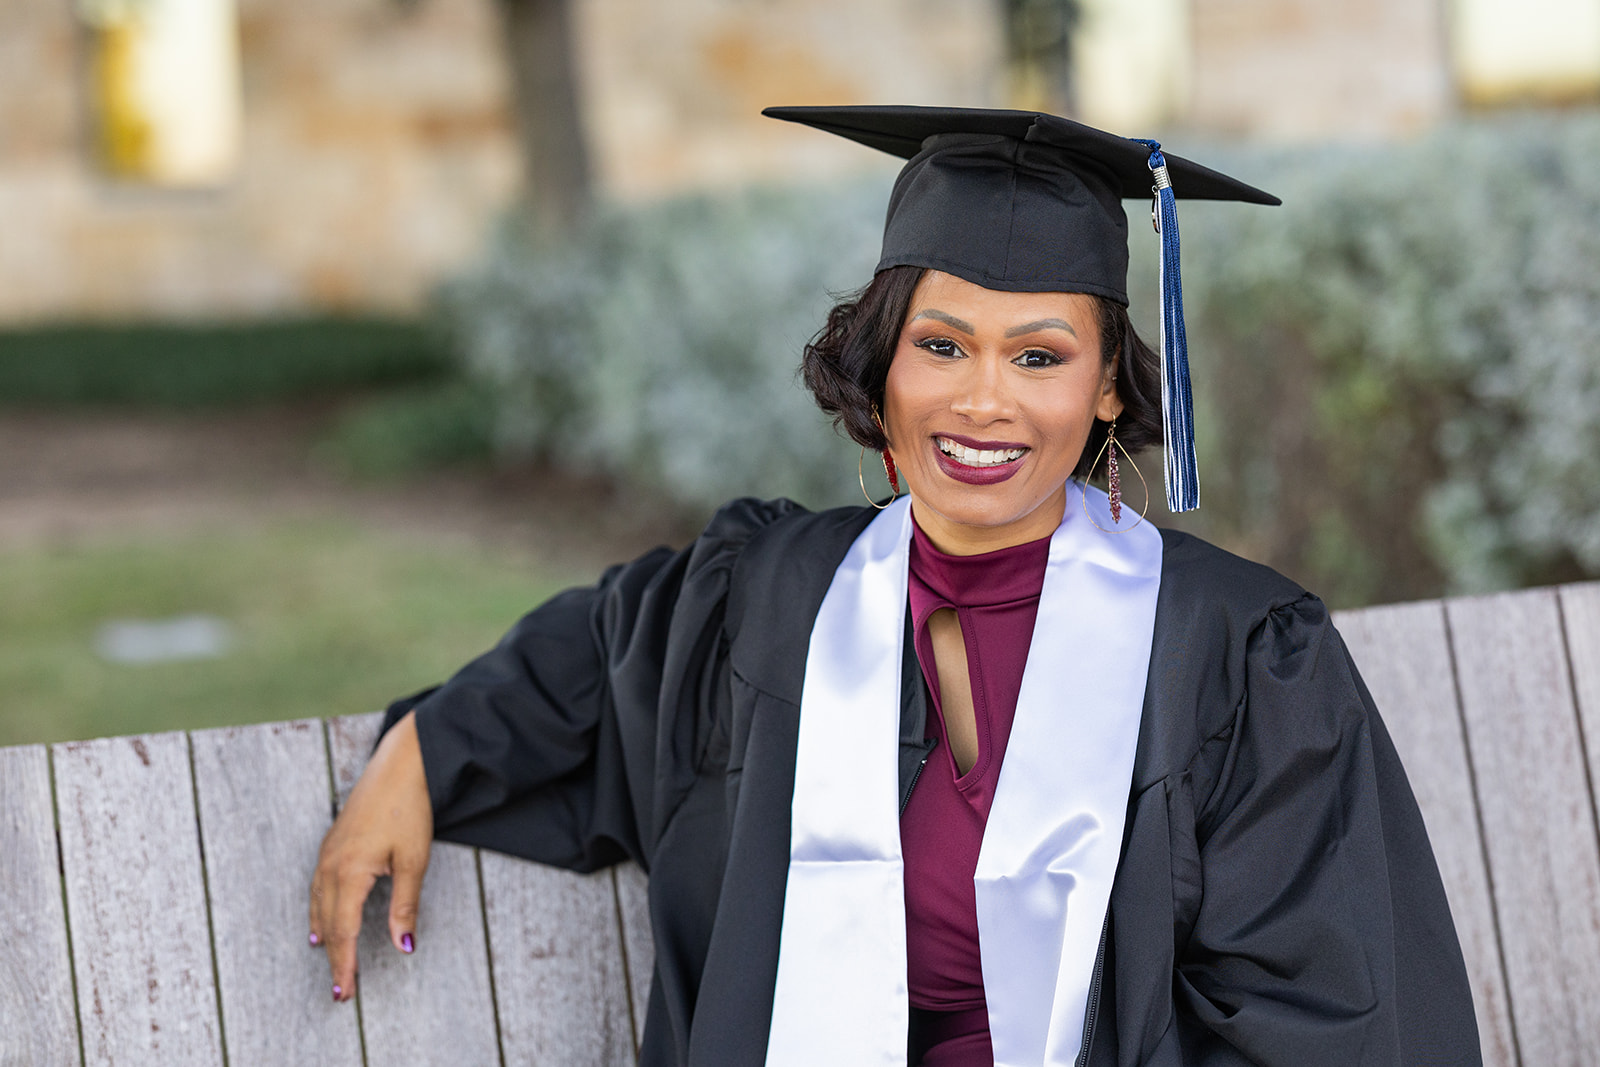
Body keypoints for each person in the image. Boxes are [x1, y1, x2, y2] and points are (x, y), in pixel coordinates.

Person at [309, 106, 1481, 1066]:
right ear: (882, 361)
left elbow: (1337, 1015)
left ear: (1108, 391)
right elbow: (594, 654)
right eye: (940, 344)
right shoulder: (770, 595)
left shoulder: (1232, 654)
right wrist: (417, 755)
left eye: (1038, 355)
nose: (983, 401)